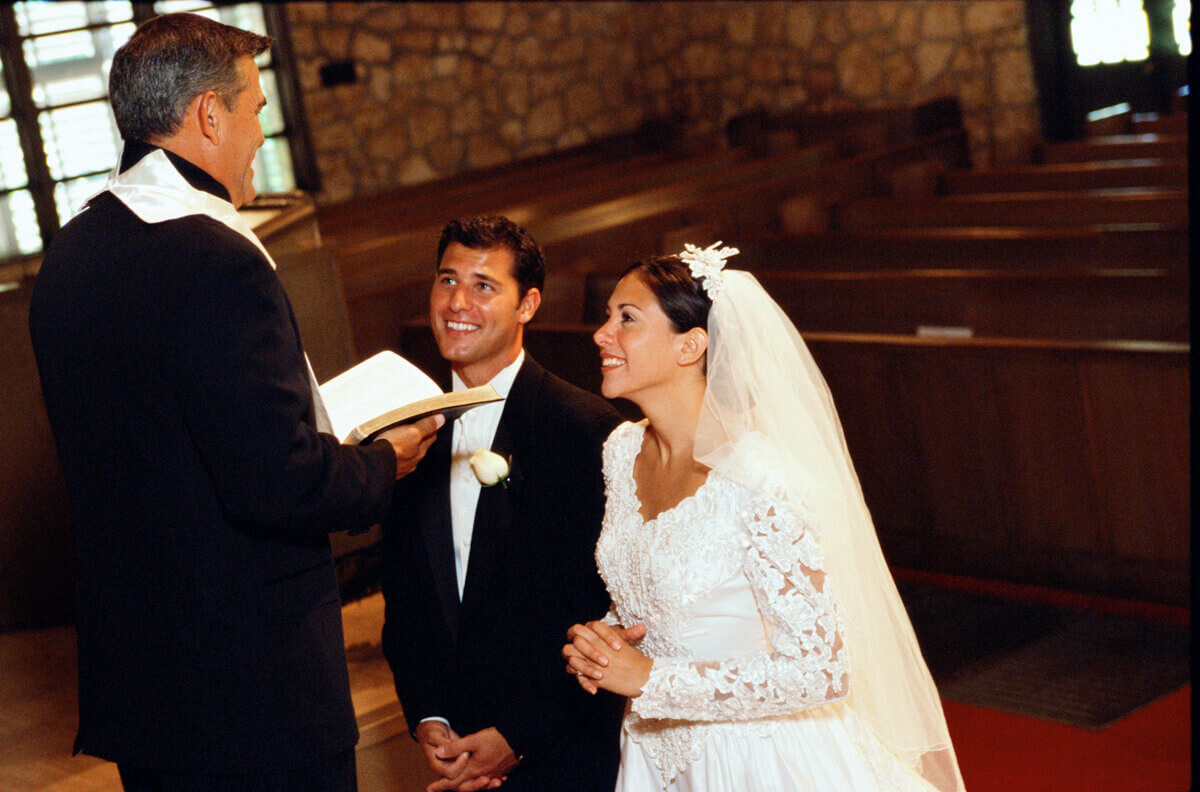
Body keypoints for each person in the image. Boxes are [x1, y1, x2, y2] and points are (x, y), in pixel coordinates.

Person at [27, 13, 441, 792]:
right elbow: (276, 480)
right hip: (252, 686)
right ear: (208, 115)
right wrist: (385, 461)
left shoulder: (74, 252)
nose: (258, 133)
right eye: (253, 109)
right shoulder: (214, 259)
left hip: (148, 687)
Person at [563, 244, 967, 791]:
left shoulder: (757, 479)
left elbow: (821, 671)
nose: (602, 334)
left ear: (691, 345)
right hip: (656, 754)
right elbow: (662, 592)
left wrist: (652, 678)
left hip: (758, 760)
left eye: (626, 319)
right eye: (608, 317)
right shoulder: (621, 450)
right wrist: (610, 638)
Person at [380, 216, 626, 792]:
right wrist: (429, 719)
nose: (457, 302)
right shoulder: (404, 435)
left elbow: (603, 608)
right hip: (455, 759)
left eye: (484, 286)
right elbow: (407, 600)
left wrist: (517, 736)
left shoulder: (586, 430)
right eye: (446, 280)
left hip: (564, 756)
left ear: (528, 304)